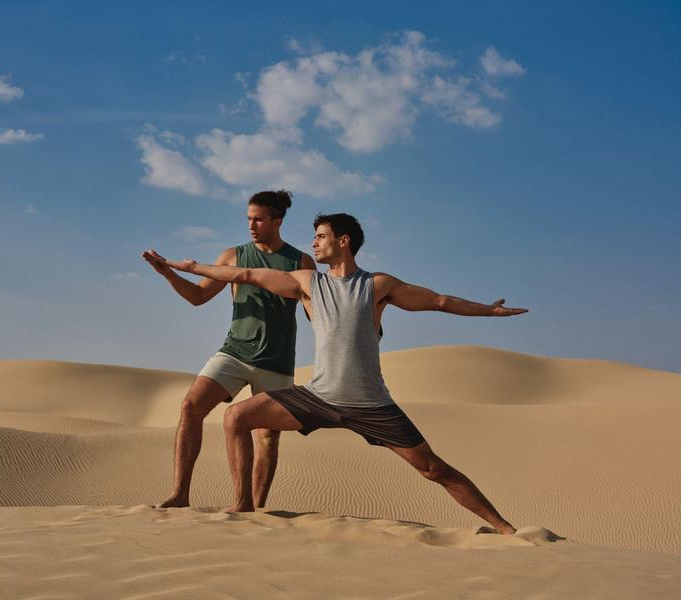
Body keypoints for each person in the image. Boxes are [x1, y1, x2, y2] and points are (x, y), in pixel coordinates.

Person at [148, 213, 525, 534]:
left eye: (321, 236)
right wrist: (190, 267)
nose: (313, 243)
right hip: (318, 397)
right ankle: (243, 504)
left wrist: (488, 311)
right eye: (314, 237)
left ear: (343, 241)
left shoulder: (378, 285)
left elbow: (440, 301)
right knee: (236, 416)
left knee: (433, 469)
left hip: (371, 404)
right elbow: (245, 274)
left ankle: (506, 528)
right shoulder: (308, 283)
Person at [142, 190, 315, 509]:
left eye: (259, 219)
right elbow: (198, 297)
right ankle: (180, 494)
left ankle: (254, 507)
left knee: (267, 436)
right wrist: (168, 274)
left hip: (276, 360)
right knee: (190, 406)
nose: (251, 225)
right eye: (248, 218)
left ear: (277, 221)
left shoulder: (300, 261)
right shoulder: (233, 256)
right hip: (234, 352)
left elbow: (314, 311)